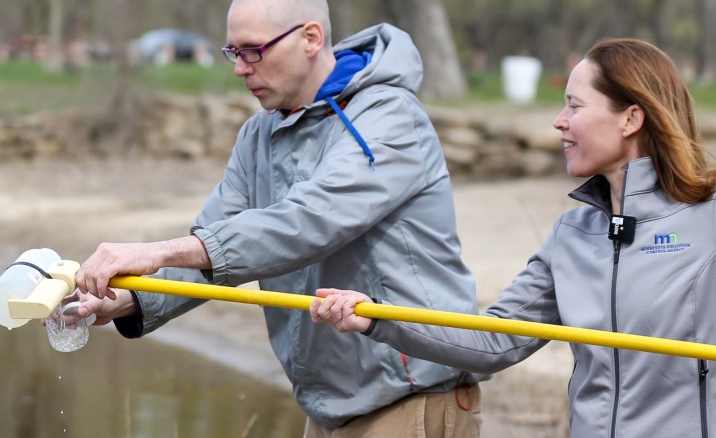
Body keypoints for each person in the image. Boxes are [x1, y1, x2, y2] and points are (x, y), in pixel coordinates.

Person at [310, 37, 716, 438]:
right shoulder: (571, 234)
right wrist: (375, 318)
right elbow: (494, 342)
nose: (558, 121)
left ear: (631, 119)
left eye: (574, 105)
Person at [70, 0, 485, 436]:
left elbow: (309, 221)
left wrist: (156, 251)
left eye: (253, 50)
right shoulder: (259, 134)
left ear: (310, 38)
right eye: (233, 52)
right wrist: (128, 298)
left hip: (412, 397)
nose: (240, 68)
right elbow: (214, 251)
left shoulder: (388, 118)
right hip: (328, 408)